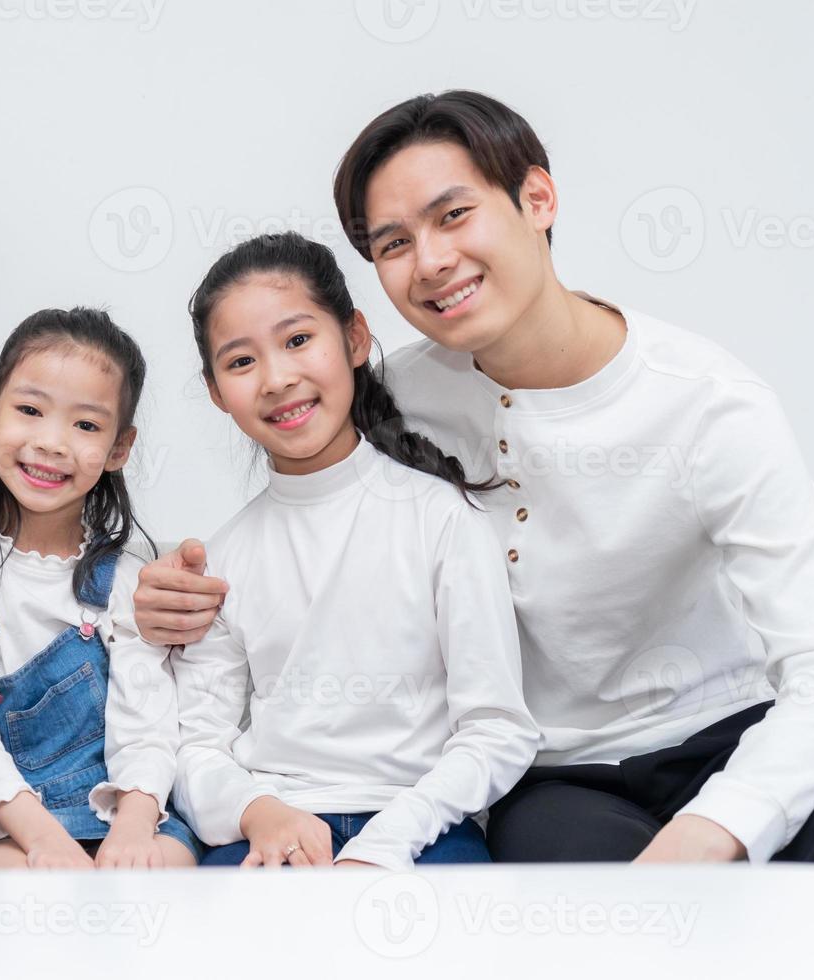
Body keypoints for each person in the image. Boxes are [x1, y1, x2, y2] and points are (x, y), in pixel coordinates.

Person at [138, 91, 814, 870]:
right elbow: (305, 517)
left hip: (733, 727)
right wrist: (168, 592)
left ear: (538, 198)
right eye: (393, 244)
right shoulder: (393, 398)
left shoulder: (707, 405)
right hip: (554, 775)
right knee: (575, 917)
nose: (433, 261)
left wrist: (716, 825)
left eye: (454, 215)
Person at [170, 232, 538, 870]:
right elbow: (197, 745)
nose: (278, 379)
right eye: (240, 361)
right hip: (268, 827)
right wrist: (259, 811)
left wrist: (389, 841)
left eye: (297, 340)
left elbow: (498, 728)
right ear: (215, 391)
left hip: (425, 828)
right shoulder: (224, 557)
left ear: (355, 339)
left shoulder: (443, 520)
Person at [0, 307, 200, 869]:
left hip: (126, 809)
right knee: (18, 891)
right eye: (30, 410)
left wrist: (135, 827)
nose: (52, 442)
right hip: (11, 823)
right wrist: (43, 839)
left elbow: (148, 721)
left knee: (166, 873)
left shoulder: (129, 577)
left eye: (85, 425)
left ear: (119, 448)